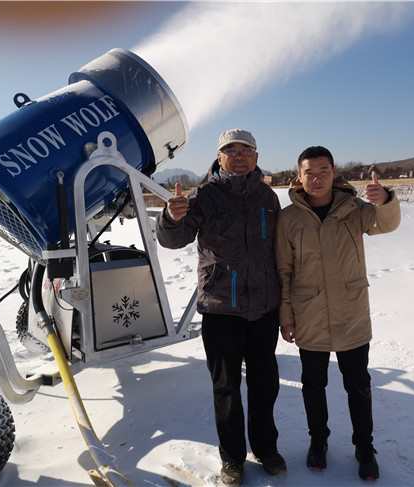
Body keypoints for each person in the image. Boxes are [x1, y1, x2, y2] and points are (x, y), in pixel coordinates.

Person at [156, 129, 286, 486]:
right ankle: (232, 459)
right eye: (231, 150)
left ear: (256, 156)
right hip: (221, 309)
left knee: (264, 384)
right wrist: (171, 217)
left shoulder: (268, 197)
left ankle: (266, 448)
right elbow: (173, 239)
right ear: (220, 156)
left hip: (263, 307)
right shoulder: (203, 197)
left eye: (246, 150)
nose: (239, 155)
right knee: (226, 389)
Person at [275, 146, 401, 481]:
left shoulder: (354, 209)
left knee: (358, 384)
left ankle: (364, 447)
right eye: (309, 172)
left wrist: (385, 200)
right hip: (309, 313)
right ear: (298, 177)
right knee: (313, 385)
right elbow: (283, 272)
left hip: (351, 311)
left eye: (323, 171)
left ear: (334, 172)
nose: (316, 179)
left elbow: (386, 225)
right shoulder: (288, 218)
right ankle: (318, 443)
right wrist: (286, 316)